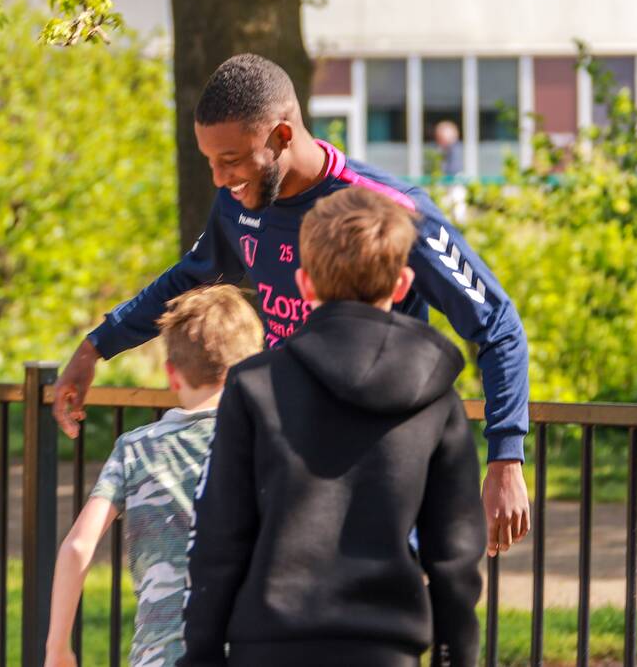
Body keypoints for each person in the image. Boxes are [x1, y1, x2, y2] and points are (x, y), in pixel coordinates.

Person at [52, 53, 530, 556]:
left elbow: (496, 324)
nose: (218, 178)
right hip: (285, 478)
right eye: (209, 161)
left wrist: (505, 459)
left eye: (231, 160)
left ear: (281, 136)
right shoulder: (235, 204)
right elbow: (188, 279)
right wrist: (95, 348)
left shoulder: (387, 209)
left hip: (381, 485)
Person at [179, 187, 486, 667]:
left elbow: (220, 536)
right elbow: (455, 556)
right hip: (386, 647)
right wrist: (455, 657)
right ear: (403, 285)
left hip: (269, 646)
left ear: (303, 284)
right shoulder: (435, 398)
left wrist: (201, 655)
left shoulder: (255, 386)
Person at [44, 285, 264, 667]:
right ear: (254, 367)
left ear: (172, 375)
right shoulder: (267, 443)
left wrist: (57, 648)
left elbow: (78, 546)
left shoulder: (136, 448)